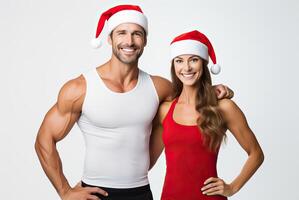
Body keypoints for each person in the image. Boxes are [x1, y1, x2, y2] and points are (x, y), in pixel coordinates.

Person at [34, 5, 233, 200]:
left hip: (141, 192)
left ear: (145, 40)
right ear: (109, 39)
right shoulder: (80, 89)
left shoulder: (159, 88)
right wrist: (65, 191)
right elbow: (45, 138)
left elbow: (191, 97)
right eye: (121, 33)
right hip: (95, 193)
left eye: (137, 33)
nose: (129, 41)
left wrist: (216, 90)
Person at [149, 30, 264, 200]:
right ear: (173, 66)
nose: (186, 67)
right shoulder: (164, 110)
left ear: (203, 64)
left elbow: (256, 154)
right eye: (179, 61)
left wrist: (232, 187)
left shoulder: (223, 107)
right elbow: (146, 163)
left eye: (193, 60)